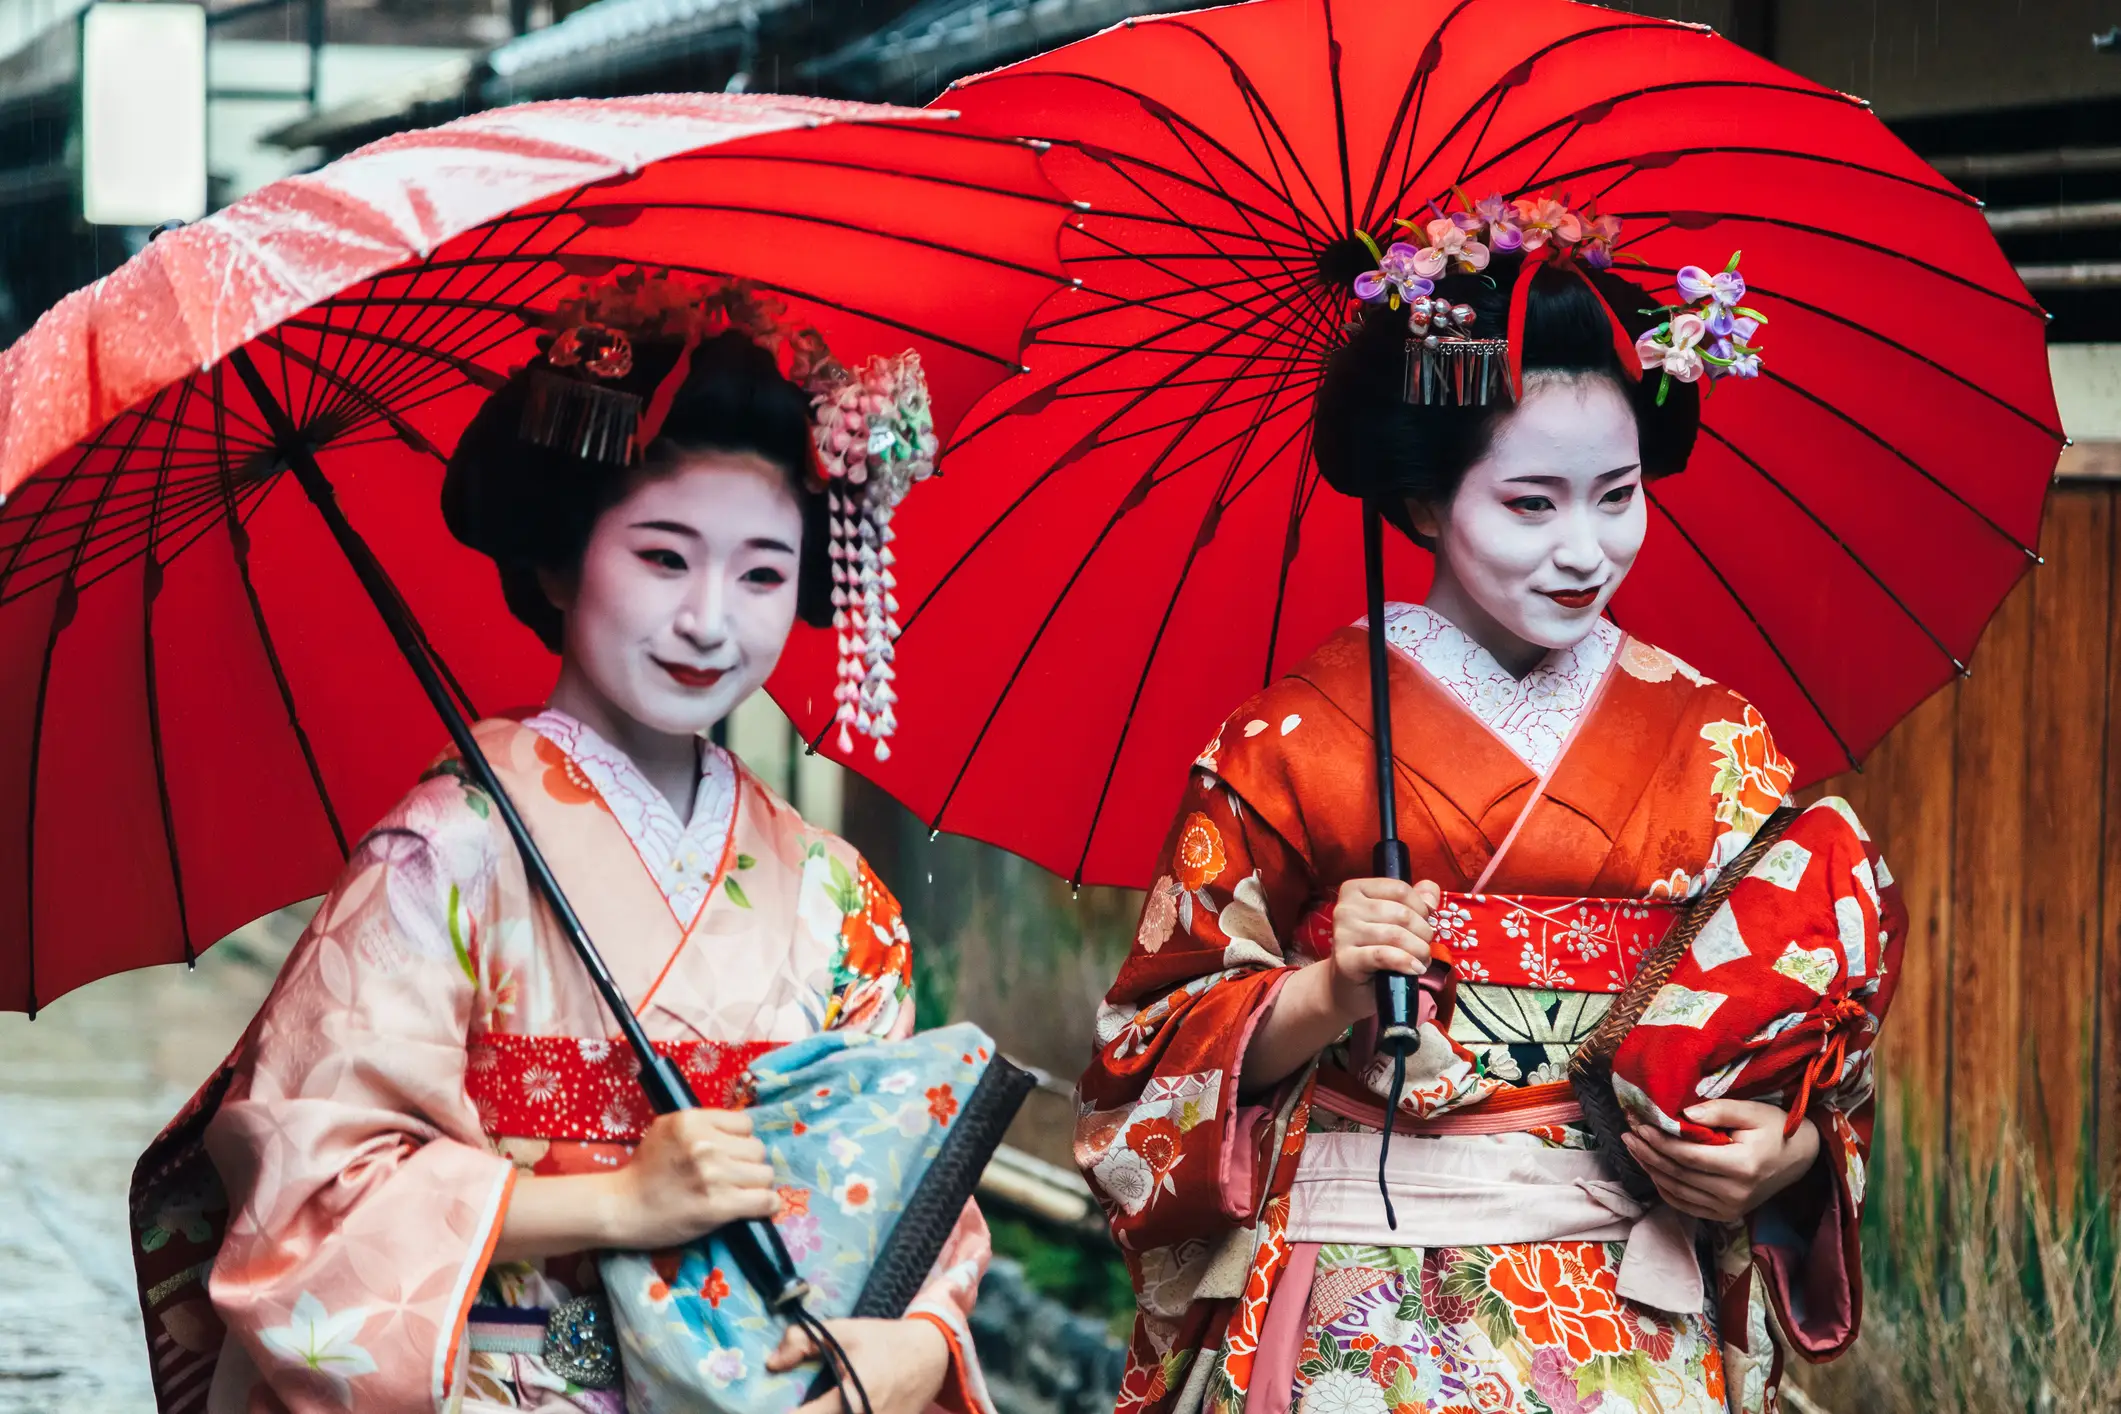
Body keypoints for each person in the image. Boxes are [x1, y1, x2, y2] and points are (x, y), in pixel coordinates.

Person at [1075, 209, 1902, 1414]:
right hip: (1365, 1318)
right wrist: (1316, 995)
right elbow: (1131, 1079)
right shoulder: (1293, 747)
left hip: (1632, 1314)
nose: (1588, 548)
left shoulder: (1714, 744)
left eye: (1617, 494)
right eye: (1530, 504)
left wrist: (1786, 1156)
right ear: (1419, 503)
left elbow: (1812, 1054)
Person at [127, 278, 991, 1414]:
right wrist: (615, 1203)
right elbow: (309, 1185)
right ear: (556, 561)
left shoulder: (836, 895)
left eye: (764, 572)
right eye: (664, 556)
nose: (711, 619)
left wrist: (920, 1340)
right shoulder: (442, 854)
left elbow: (912, 1187)